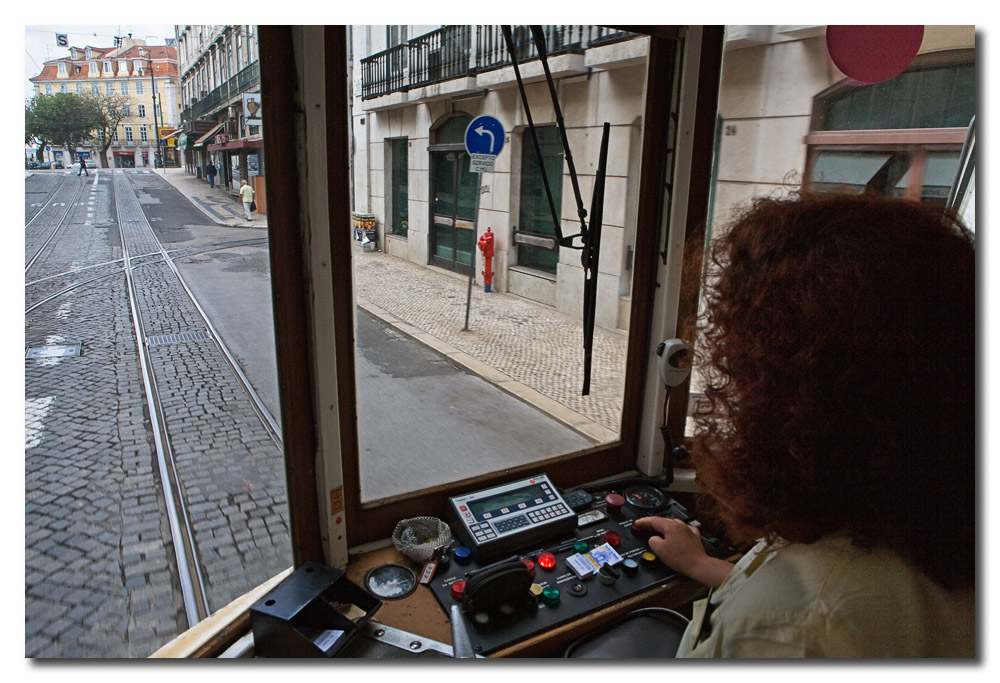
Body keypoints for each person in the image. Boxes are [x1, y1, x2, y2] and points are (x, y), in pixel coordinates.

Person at [633, 193, 975, 657]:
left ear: (801, 397)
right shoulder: (928, 510)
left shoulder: (790, 628)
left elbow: (810, 612)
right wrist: (701, 564)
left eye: (746, 368)